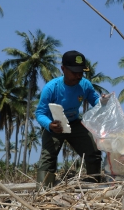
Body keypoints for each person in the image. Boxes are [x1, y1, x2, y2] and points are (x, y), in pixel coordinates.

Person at [35, 50, 103, 188]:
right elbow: (40, 113)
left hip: (74, 123)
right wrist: (49, 125)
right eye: (74, 72)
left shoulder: (85, 85)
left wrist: (103, 102)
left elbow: (94, 99)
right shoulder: (51, 88)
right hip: (55, 125)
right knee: (48, 159)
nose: (78, 75)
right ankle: (42, 193)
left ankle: (94, 188)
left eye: (81, 72)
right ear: (63, 69)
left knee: (93, 152)